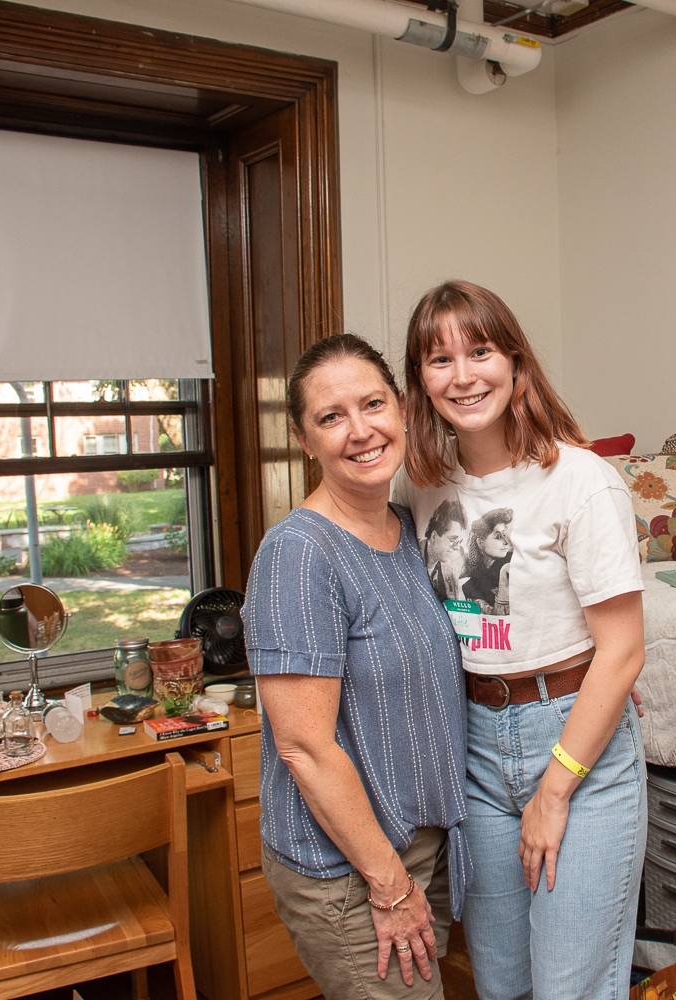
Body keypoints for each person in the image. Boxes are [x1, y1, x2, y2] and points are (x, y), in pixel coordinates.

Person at [398, 280, 648, 1000]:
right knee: (500, 984)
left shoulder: (581, 482)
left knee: (571, 988)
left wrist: (556, 787)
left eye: (480, 351)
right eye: (439, 359)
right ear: (420, 379)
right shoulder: (421, 487)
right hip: (473, 743)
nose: (463, 375)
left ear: (514, 362)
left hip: (574, 747)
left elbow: (623, 652)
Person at [243, 334, 469, 1000]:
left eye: (372, 404)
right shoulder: (299, 555)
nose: (360, 430)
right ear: (303, 439)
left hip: (420, 848)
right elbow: (304, 746)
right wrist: (390, 885)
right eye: (331, 417)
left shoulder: (406, 528)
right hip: (353, 870)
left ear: (401, 408)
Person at [421, 498, 469, 602]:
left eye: (459, 542)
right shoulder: (411, 552)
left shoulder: (452, 563)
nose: (456, 547)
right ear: (434, 536)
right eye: (453, 540)